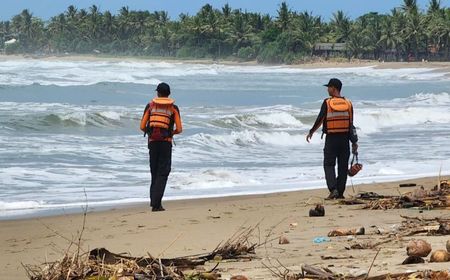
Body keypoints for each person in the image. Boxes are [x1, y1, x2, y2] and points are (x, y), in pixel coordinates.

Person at [306, 78, 358, 199]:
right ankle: (340, 192)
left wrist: (311, 131)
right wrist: (354, 142)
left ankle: (333, 189)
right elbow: (351, 124)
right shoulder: (348, 104)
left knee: (329, 165)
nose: (327, 90)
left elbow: (320, 119)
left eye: (328, 87)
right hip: (345, 139)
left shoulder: (327, 103)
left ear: (334, 88)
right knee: (343, 166)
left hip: (332, 139)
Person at [140, 82, 182, 211]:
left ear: (157, 93)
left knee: (154, 171)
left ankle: (154, 202)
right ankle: (156, 204)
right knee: (163, 172)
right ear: (169, 94)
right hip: (166, 143)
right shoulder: (173, 108)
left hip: (152, 143)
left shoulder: (150, 106)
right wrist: (170, 133)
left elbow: (142, 127)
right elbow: (179, 129)